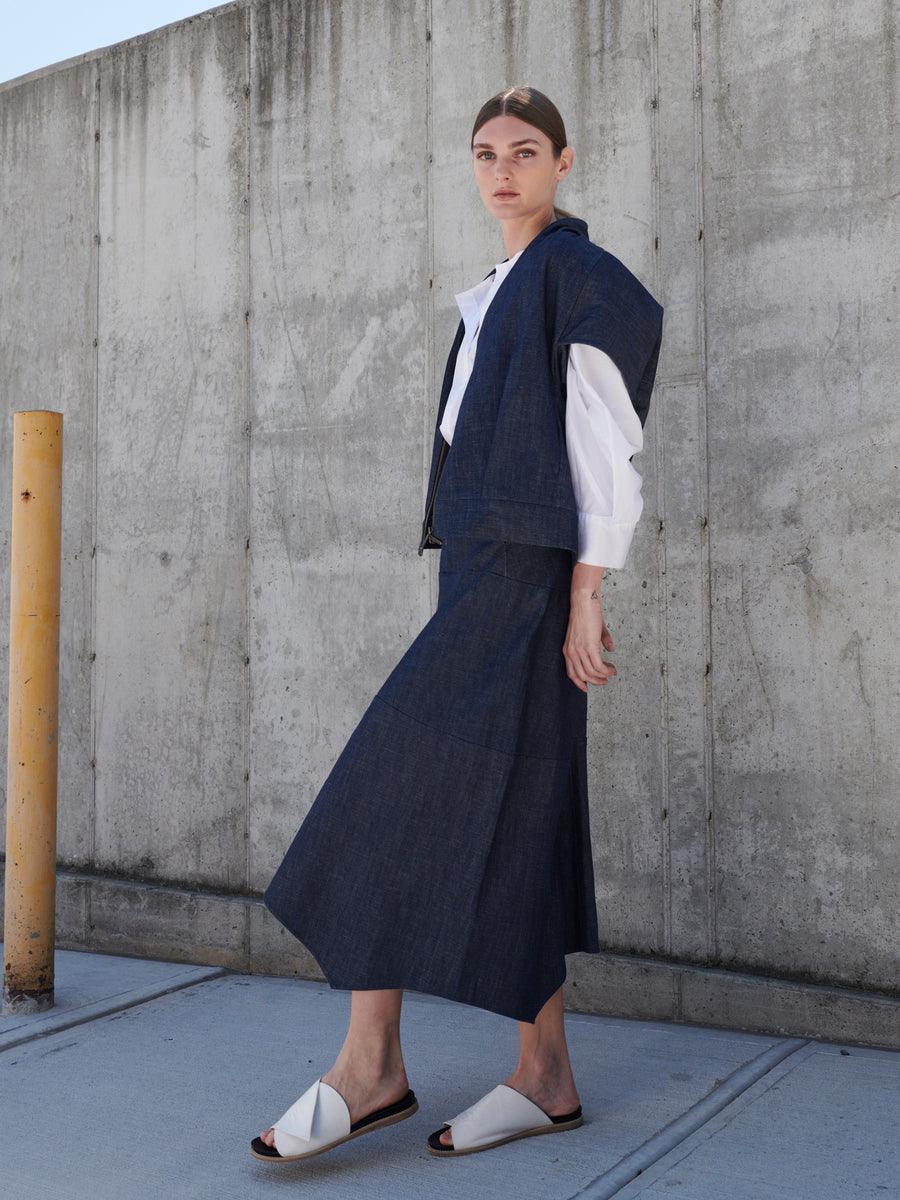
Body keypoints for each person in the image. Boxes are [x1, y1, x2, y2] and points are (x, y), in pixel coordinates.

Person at [251, 85, 663, 1163]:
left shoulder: (579, 278)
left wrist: (586, 588)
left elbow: (607, 437)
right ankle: (545, 1074)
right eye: (484, 153)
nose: (501, 171)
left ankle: (371, 1066)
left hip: (527, 581)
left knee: (387, 788)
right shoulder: (494, 292)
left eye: (524, 152)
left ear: (564, 163)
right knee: (519, 813)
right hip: (480, 570)